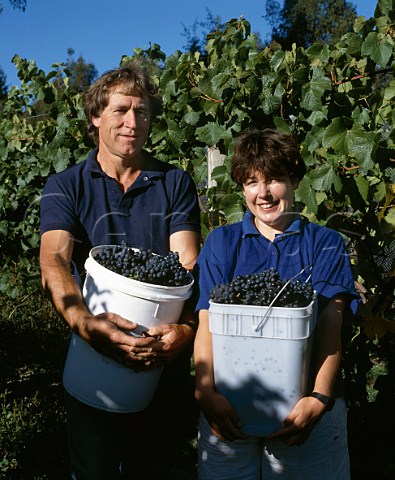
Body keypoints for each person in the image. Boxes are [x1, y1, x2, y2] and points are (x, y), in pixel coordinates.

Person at [39, 60, 201, 479]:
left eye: (142, 112)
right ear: (96, 117)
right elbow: (54, 258)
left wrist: (184, 331)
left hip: (158, 360)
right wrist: (83, 321)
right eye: (120, 110)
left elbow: (186, 262)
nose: (132, 122)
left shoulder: (173, 181)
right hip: (93, 356)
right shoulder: (66, 185)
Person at [193, 127, 359, 479]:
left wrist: (319, 398)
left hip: (305, 409)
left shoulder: (326, 243)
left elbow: (332, 325)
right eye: (252, 182)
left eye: (274, 179)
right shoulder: (222, 243)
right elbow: (207, 319)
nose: (263, 193)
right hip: (229, 409)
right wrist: (205, 391)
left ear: (295, 180)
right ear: (241, 186)